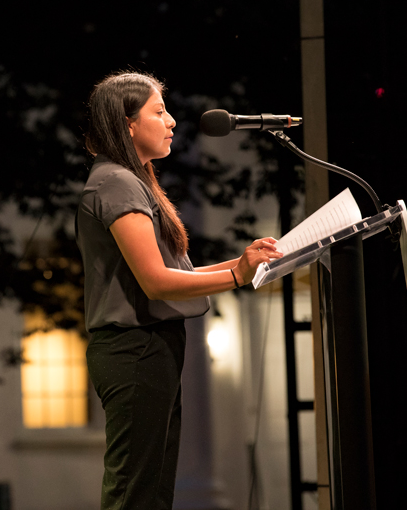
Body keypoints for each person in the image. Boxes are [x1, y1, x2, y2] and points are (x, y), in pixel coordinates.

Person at [76, 71, 282, 510]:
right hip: (135, 350)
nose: (171, 122)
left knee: (151, 492)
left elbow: (175, 273)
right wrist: (237, 276)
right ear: (127, 123)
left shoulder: (132, 180)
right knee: (135, 493)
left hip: (151, 348)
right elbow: (156, 281)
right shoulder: (116, 181)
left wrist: (246, 261)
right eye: (159, 111)